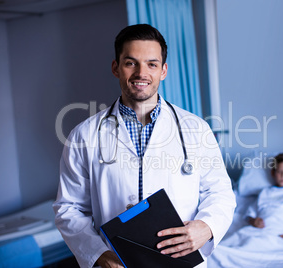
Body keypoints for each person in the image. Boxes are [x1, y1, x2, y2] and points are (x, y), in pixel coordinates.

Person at [53, 24, 236, 268]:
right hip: (116, 261)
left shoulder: (196, 129)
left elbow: (220, 193)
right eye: (131, 63)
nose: (141, 73)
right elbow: (69, 207)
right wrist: (98, 255)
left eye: (152, 64)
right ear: (115, 68)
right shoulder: (84, 135)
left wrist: (207, 227)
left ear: (163, 70)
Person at [246, 153, 283, 241]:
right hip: (259, 231)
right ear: (273, 172)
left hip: (279, 233)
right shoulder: (265, 192)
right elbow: (250, 214)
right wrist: (254, 221)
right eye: (279, 172)